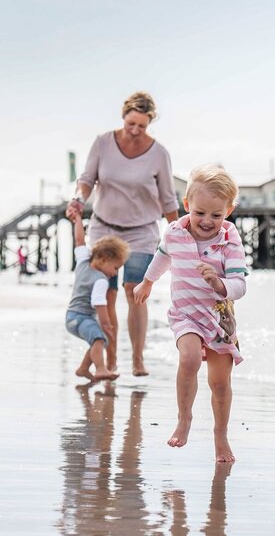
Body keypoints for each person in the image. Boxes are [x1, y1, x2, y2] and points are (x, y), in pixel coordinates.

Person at [134, 164, 248, 463]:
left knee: (220, 384)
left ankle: (220, 436)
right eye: (200, 212)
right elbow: (162, 257)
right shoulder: (174, 233)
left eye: (216, 215)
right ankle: (184, 419)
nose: (207, 221)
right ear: (187, 204)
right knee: (189, 358)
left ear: (228, 211)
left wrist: (219, 283)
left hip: (219, 317)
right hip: (185, 314)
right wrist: (147, 282)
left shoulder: (229, 242)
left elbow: (239, 285)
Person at [73, 91, 180, 377]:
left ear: (150, 123)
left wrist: (179, 233)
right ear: (123, 117)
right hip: (104, 228)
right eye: (131, 124)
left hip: (141, 231)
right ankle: (109, 359)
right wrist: (78, 199)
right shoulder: (103, 143)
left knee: (135, 292)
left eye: (142, 126)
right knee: (105, 294)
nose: (135, 131)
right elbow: (86, 180)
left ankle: (137, 359)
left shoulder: (159, 154)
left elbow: (168, 199)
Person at [64, 198, 131, 382]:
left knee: (98, 340)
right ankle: (101, 369)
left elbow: (79, 239)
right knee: (100, 339)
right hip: (81, 318)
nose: (115, 273)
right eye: (115, 267)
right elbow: (99, 303)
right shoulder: (101, 280)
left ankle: (83, 368)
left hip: (71, 317)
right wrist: (107, 324)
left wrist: (77, 219)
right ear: (103, 259)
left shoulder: (83, 261)